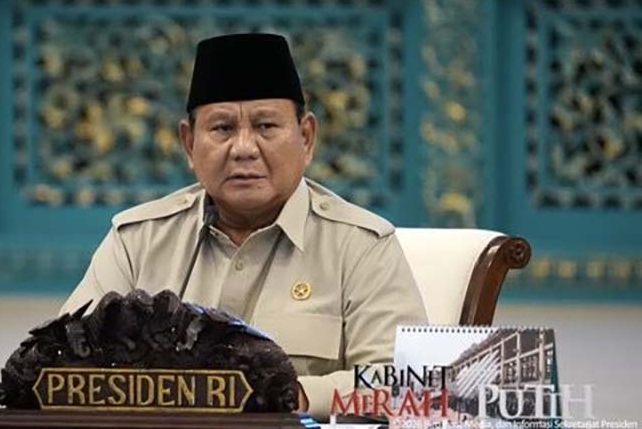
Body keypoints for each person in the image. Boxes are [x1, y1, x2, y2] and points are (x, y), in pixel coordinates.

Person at [60, 32, 428, 418]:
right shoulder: (138, 240)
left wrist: (295, 396)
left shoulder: (360, 245)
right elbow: (62, 365)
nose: (244, 148)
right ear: (189, 143)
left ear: (306, 138)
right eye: (222, 129)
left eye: (266, 126)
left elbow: (409, 387)